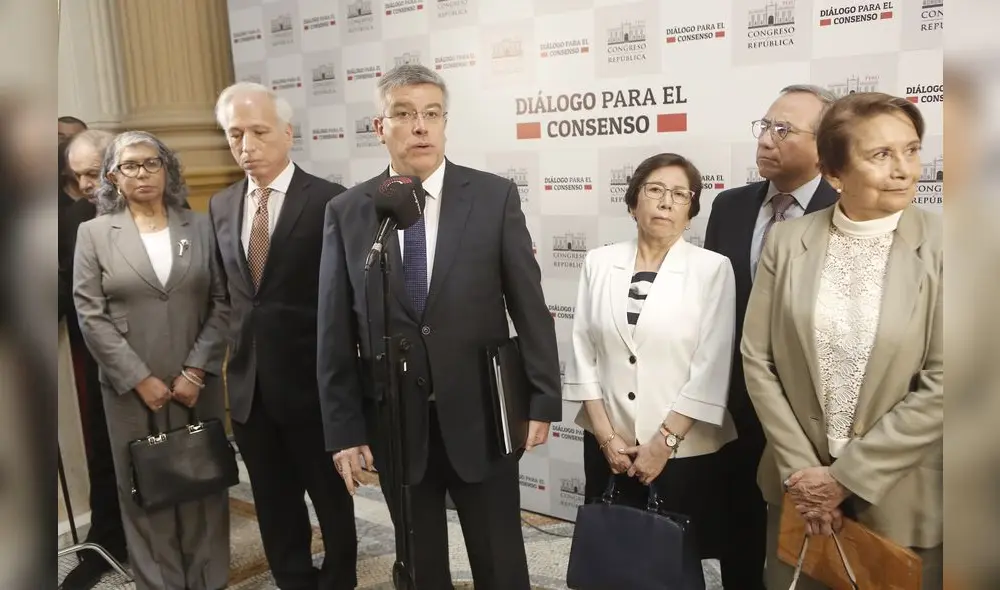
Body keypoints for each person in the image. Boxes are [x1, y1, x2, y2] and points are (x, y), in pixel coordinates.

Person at [317, 64, 562, 590]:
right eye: (404, 114)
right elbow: (335, 330)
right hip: (395, 420)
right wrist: (344, 429)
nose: (420, 126)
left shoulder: (494, 197)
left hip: (483, 411)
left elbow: (528, 303)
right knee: (419, 565)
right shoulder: (348, 211)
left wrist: (542, 398)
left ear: (445, 123)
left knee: (500, 561)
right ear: (380, 127)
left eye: (431, 114)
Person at [741, 91, 943, 588]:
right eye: (881, 155)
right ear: (834, 173)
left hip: (902, 492)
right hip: (798, 491)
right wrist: (804, 476)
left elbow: (948, 382)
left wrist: (844, 479)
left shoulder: (951, 245)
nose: (905, 170)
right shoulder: (788, 242)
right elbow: (758, 359)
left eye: (912, 150)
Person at [208, 82, 357, 590]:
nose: (246, 145)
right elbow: (230, 296)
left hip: (314, 388)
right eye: (234, 134)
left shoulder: (331, 202)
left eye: (258, 131)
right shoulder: (222, 205)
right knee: (272, 503)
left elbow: (346, 301)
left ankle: (338, 580)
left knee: (331, 499)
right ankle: (294, 579)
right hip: (251, 391)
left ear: (287, 133)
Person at [72, 131, 231, 590]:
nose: (142, 173)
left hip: (195, 383)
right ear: (112, 177)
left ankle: (208, 580)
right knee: (146, 492)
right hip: (129, 390)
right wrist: (140, 379)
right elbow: (90, 314)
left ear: (167, 169)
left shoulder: (198, 226)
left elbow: (222, 301)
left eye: (151, 163)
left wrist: (196, 370)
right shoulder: (94, 234)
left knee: (203, 484)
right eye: (130, 166)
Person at [564, 152, 736, 563]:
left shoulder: (712, 269)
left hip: (682, 450)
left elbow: (711, 366)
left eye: (680, 194)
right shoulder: (599, 262)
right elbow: (583, 349)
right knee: (611, 559)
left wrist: (664, 443)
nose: (666, 201)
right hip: (610, 445)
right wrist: (607, 438)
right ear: (632, 202)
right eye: (655, 190)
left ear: (691, 213)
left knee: (669, 565)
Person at [702, 84, 839, 589]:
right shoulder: (730, 207)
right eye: (764, 125)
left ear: (825, 146)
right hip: (736, 405)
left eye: (784, 130)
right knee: (738, 528)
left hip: (811, 413)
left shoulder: (845, 213)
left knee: (811, 545)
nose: (766, 140)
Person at [58, 129, 129, 590]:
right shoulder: (69, 221)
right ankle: (107, 541)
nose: (86, 183)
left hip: (160, 354)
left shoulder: (159, 212)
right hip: (98, 358)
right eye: (77, 175)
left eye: (93, 172)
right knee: (105, 451)